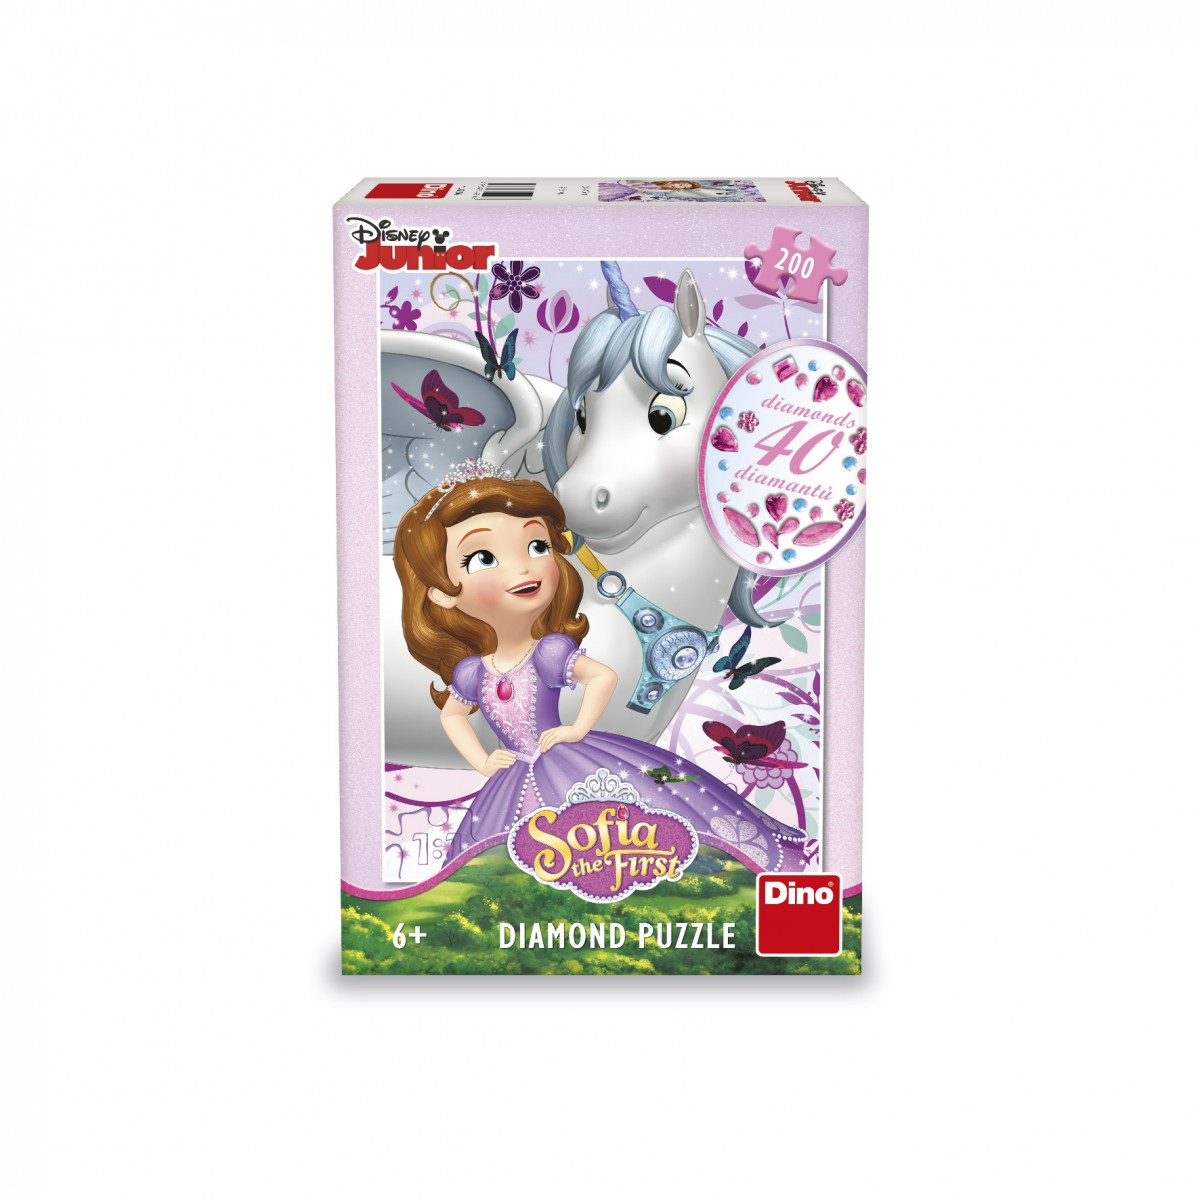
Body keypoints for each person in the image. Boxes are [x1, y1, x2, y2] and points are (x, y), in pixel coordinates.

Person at [394, 462, 812, 871]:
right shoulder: (473, 672)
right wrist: (483, 762)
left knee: (622, 830)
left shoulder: (548, 652)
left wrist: (577, 729)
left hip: (569, 758)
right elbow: (452, 716)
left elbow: (602, 677)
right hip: (514, 775)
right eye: (484, 558)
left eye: (537, 547)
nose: (523, 568)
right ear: (442, 594)